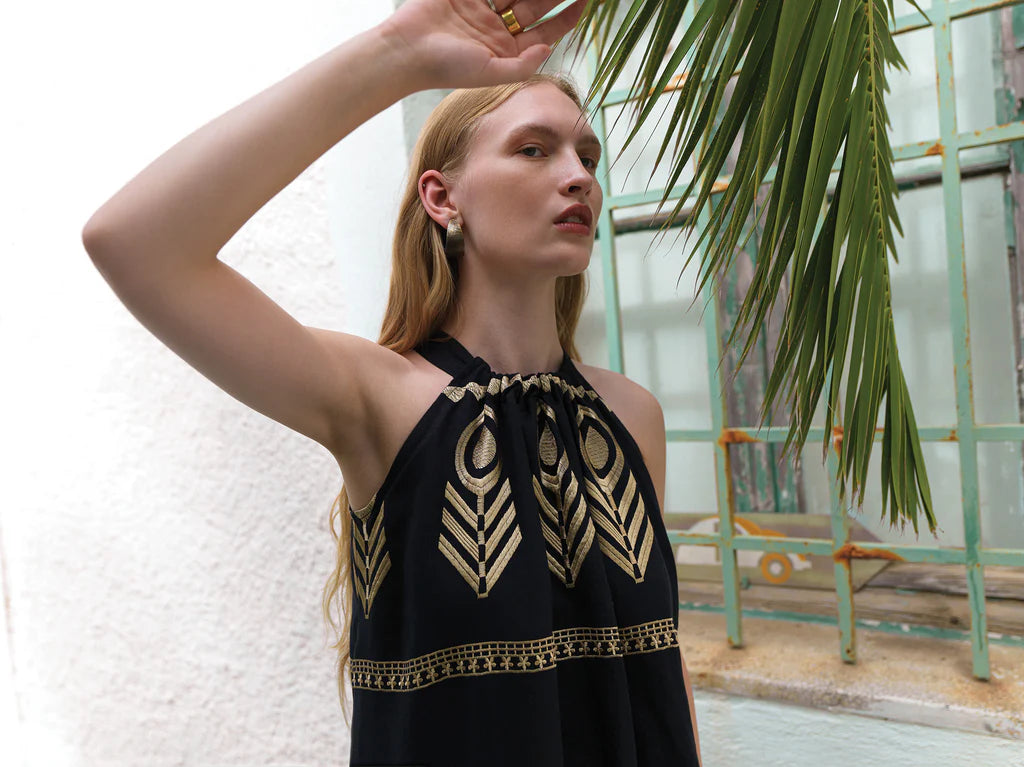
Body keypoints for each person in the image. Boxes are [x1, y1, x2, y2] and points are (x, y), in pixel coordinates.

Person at [82, 0, 703, 764]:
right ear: (442, 198)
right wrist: (395, 54)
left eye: (587, 156)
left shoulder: (631, 415)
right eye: (534, 150)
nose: (578, 177)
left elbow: (660, 661)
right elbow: (135, 244)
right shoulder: (381, 396)